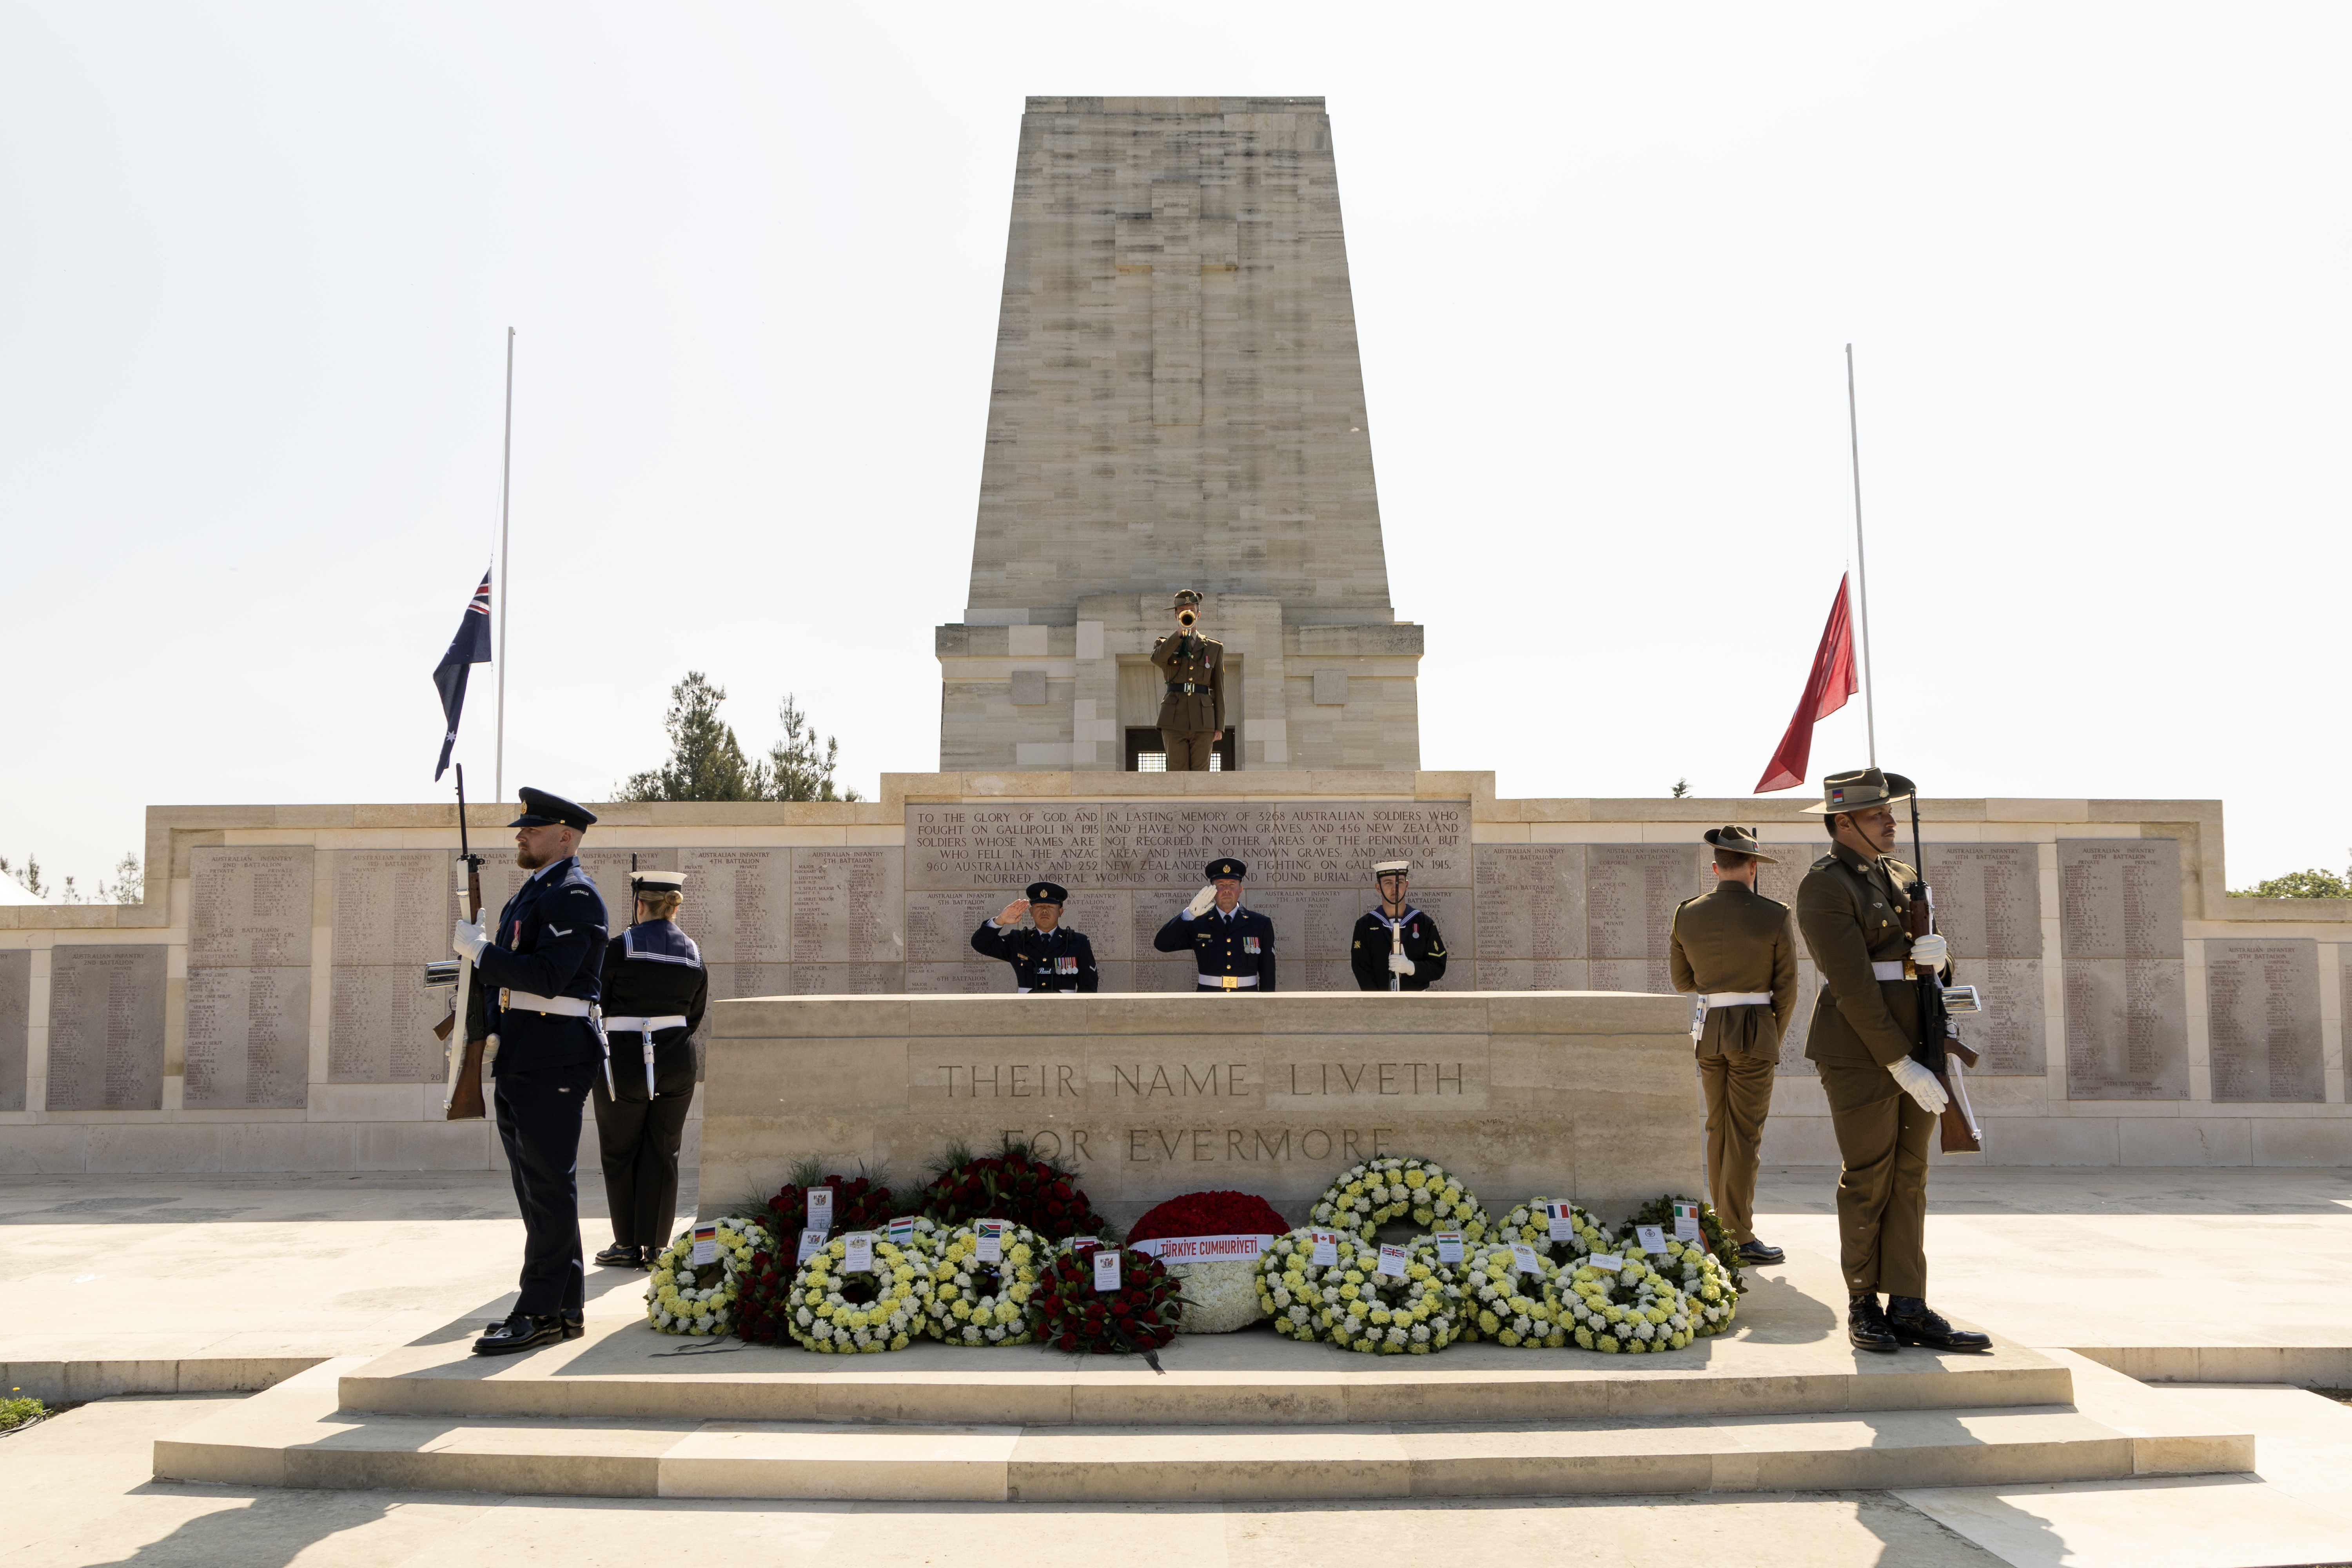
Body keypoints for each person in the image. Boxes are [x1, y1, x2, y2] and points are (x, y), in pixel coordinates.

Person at [1796, 768, 1991, 1355]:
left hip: (1921, 1039)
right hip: (1862, 1052)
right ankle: (1864, 1301)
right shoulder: (1826, 886)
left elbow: (1932, 962)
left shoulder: (1904, 876)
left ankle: (1908, 1302)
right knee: (1869, 1175)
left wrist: (1941, 956)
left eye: (1892, 811)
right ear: (1843, 822)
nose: (1891, 822)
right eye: (1878, 814)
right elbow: (1853, 986)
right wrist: (1896, 1063)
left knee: (1910, 1176)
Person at [450, 786, 610, 1356]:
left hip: (555, 1052)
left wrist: (482, 954)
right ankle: (563, 1306)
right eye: (522, 829)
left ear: (565, 837)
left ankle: (538, 1308)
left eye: (533, 830)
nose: (521, 836)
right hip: (525, 1049)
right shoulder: (533, 894)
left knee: (548, 1185)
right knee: (536, 1188)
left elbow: (545, 976)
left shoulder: (575, 896)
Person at [1668, 826, 1798, 1268]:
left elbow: (1682, 981)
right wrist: (1770, 1039)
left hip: (1710, 1032)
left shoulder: (1687, 913)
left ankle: (1720, 1225)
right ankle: (1738, 1235)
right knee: (1744, 1134)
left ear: (1714, 868)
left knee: (1718, 1129)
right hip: (1754, 1029)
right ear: (1753, 867)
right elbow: (1788, 988)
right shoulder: (1774, 914)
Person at [591, 868, 708, 1270]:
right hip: (676, 1058)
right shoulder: (692, 951)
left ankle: (626, 1244)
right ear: (674, 907)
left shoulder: (619, 946)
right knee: (663, 1149)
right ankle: (657, 1245)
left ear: (640, 905)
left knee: (620, 1150)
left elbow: (598, 1000)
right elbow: (694, 1013)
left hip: (622, 1060)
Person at [1153, 858, 1275, 991]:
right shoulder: (1198, 923)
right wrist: (1189, 914)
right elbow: (1162, 944)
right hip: (1208, 1000)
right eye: (1221, 885)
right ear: (1213, 891)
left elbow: (1268, 971)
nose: (1227, 890)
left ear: (1241, 889)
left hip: (1247, 998)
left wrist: (1266, 1007)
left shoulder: (1260, 923)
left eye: (1232, 885)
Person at [969, 881, 1099, 993]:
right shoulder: (1018, 940)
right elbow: (980, 944)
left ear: (1060, 912)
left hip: (1066, 1010)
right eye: (1039, 906)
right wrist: (1001, 920)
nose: (1044, 910)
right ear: (1031, 912)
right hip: (1025, 1010)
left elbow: (1089, 985)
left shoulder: (1077, 942)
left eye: (1050, 907)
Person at [1148, 588, 1226, 771]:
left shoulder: (1214, 648)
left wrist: (1219, 725)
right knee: (1177, 773)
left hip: (1203, 720)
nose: (1188, 614)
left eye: (1191, 610)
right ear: (1176, 615)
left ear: (1199, 614)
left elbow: (1219, 688)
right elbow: (1157, 659)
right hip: (1173, 720)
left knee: (1201, 773)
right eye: (1183, 611)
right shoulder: (1165, 644)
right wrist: (1179, 634)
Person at [1349, 859, 1448, 991]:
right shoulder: (1365, 926)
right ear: (1378, 887)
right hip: (1380, 1005)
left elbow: (1438, 965)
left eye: (1399, 882)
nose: (1394, 888)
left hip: (1417, 1003)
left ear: (1407, 885)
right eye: (1388, 883)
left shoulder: (1424, 923)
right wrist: (1379, 1002)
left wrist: (1411, 968)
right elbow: (1361, 969)